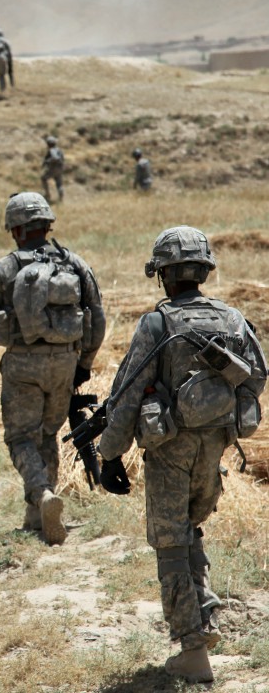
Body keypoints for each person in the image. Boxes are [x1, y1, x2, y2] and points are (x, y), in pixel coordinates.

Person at [96, 226, 266, 684]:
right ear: (204, 270)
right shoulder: (232, 318)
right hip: (216, 449)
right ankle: (204, 611)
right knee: (190, 530)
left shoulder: (159, 323)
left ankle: (192, 650)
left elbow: (126, 397)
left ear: (164, 274)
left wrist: (109, 454)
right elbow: (256, 378)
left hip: (170, 452)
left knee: (170, 545)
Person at [0, 191, 106, 545]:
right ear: (48, 225)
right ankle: (37, 517)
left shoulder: (6, 268)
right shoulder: (74, 264)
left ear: (15, 230)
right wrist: (85, 363)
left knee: (20, 438)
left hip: (21, 364)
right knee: (48, 434)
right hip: (65, 362)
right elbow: (98, 316)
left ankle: (42, 494)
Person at [40, 136, 65, 204]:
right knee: (59, 183)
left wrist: (48, 161)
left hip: (53, 169)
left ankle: (47, 195)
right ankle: (61, 198)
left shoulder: (52, 150)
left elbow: (55, 158)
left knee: (43, 178)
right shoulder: (59, 150)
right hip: (60, 169)